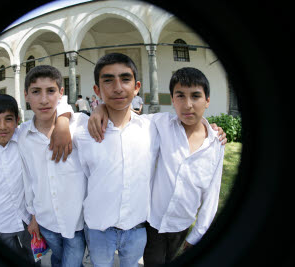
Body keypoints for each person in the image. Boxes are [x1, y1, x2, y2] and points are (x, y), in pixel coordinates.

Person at [88, 67, 227, 266]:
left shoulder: (215, 144)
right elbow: (126, 116)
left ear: (207, 100)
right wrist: (100, 108)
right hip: (154, 223)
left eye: (196, 96)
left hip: (182, 225)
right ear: (172, 99)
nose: (188, 105)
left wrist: (198, 234)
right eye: (180, 96)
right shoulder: (161, 124)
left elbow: (212, 195)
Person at [73, 53, 160, 267]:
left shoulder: (153, 128)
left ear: (137, 86)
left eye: (125, 79)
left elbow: (188, 122)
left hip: (137, 228)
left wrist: (211, 129)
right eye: (108, 80)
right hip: (98, 229)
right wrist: (95, 110)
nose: (118, 87)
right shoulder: (82, 133)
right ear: (97, 89)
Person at [19, 65, 87, 267]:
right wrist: (32, 216)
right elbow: (28, 178)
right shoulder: (23, 136)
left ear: (61, 94)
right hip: (45, 220)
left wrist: (64, 119)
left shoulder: (80, 125)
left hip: (77, 221)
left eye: (51, 91)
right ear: (26, 95)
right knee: (58, 260)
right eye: (36, 92)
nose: (44, 99)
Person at [0, 94, 39, 266]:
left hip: (28, 220)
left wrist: (34, 217)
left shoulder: (25, 139)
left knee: (34, 258)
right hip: (1, 220)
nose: (2, 127)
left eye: (8, 119)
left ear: (17, 121)